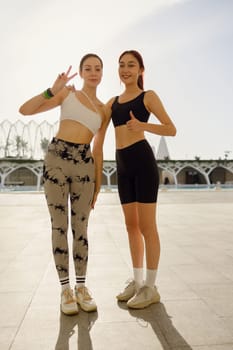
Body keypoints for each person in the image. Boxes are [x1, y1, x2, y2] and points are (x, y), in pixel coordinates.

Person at [19, 53, 107, 315]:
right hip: (57, 159)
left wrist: (98, 183)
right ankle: (65, 290)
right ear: (80, 73)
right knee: (60, 226)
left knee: (81, 228)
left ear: (102, 74)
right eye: (88, 68)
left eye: (98, 68)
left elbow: (99, 149)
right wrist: (51, 90)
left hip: (84, 164)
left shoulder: (104, 109)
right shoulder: (67, 94)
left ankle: (81, 287)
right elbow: (25, 110)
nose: (93, 72)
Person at [104, 50, 177, 309]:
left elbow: (171, 128)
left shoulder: (148, 96)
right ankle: (137, 282)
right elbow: (98, 133)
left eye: (131, 65)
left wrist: (143, 126)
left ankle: (151, 287)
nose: (126, 69)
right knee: (131, 226)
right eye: (121, 65)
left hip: (143, 162)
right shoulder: (112, 102)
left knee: (147, 227)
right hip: (122, 165)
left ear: (140, 70)